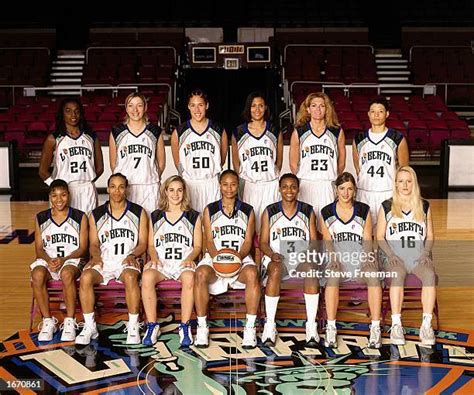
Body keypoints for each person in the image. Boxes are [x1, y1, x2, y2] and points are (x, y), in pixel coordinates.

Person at [75, 173, 148, 345]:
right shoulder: (96, 214)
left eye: (121, 186)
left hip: (126, 261)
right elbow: (93, 243)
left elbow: (143, 243)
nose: (117, 191)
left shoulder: (139, 212)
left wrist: (133, 255)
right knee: (85, 278)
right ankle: (89, 326)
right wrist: (96, 257)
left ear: (127, 189)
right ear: (107, 189)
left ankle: (132, 325)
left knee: (130, 277)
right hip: (105, 261)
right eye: (113, 186)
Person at [194, 170, 260, 349]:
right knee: (200, 273)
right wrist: (219, 260)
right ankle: (202, 326)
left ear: (238, 185)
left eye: (233, 184)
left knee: (253, 273)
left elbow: (247, 241)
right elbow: (208, 240)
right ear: (220, 185)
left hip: (240, 257)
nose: (229, 188)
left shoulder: (248, 210)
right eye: (225, 184)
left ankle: (250, 327)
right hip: (215, 256)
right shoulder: (210, 209)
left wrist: (236, 258)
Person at [320, 172, 382, 349]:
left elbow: (368, 240)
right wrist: (333, 259)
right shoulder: (326, 212)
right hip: (338, 259)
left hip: (358, 258)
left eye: (349, 189)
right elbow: (328, 242)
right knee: (332, 277)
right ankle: (331, 327)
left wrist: (367, 259)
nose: (345, 193)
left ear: (355, 190)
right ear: (336, 189)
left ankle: (375, 327)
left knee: (374, 276)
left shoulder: (364, 210)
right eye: (342, 188)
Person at [376, 166, 436, 346]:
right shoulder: (387, 206)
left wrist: (426, 252)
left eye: (408, 181)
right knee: (397, 275)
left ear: (414, 183)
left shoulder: (424, 206)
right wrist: (390, 254)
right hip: (395, 256)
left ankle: (426, 325)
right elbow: (379, 236)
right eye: (401, 181)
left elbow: (430, 235)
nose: (405, 185)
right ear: (395, 183)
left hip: (417, 256)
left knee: (430, 276)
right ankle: (396, 324)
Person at [259, 173, 320, 346]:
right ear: (279, 189)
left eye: (293, 186)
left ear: (298, 189)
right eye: (285, 186)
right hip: (278, 258)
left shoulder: (307, 211)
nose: (289, 190)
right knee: (276, 270)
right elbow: (263, 242)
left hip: (300, 258)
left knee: (311, 269)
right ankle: (270, 325)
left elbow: (314, 242)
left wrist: (306, 255)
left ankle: (311, 327)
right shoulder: (270, 211)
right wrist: (271, 255)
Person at [141, 175, 202, 347]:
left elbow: (197, 246)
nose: (175, 194)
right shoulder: (156, 215)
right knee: (146, 277)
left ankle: (184, 326)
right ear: (165, 192)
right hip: (162, 262)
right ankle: (153, 325)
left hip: (184, 262)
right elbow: (151, 245)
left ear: (184, 192)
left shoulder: (193, 216)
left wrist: (190, 258)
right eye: (172, 190)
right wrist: (153, 258)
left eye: (179, 190)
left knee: (190, 278)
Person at [31, 179, 88, 341]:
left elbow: (83, 248)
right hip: (49, 259)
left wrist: (64, 260)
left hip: (72, 259)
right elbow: (39, 249)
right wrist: (49, 260)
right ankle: (48, 320)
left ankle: (70, 320)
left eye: (63, 195)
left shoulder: (79, 217)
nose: (59, 199)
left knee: (67, 274)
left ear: (68, 196)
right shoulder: (41, 218)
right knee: (37, 275)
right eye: (54, 195)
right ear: (49, 197)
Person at [39, 97, 103, 214]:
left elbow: (100, 168)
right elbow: (42, 171)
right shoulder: (54, 139)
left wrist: (87, 181)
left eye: (77, 111)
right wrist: (56, 187)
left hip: (87, 189)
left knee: (88, 227)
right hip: (64, 191)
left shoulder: (91, 137)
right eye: (68, 111)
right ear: (62, 114)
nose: (73, 114)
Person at [289, 92, 346, 223]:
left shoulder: (336, 131)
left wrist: (332, 177)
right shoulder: (299, 131)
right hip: (306, 184)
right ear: (308, 109)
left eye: (322, 106)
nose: (318, 109)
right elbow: (293, 164)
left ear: (327, 109)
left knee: (328, 225)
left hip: (327, 184)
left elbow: (341, 163)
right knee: (306, 224)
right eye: (314, 106)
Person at [352, 96, 409, 226]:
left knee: (389, 232)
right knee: (365, 232)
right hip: (364, 192)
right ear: (368, 114)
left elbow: (404, 169)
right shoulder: (359, 139)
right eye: (373, 111)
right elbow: (358, 167)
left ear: (387, 114)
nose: (376, 115)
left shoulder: (397, 138)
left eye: (380, 111)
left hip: (388, 192)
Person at [231, 92, 283, 232]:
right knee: (249, 227)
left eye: (260, 106)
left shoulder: (274, 130)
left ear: (266, 107)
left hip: (270, 184)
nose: (257, 109)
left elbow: (279, 161)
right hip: (249, 185)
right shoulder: (239, 132)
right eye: (253, 106)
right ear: (248, 108)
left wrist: (271, 174)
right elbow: (236, 162)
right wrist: (243, 177)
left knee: (271, 226)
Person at [171, 89, 228, 214]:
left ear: (207, 105)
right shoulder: (179, 132)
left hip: (211, 184)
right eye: (193, 105)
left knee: (212, 225)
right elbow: (178, 163)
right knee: (191, 226)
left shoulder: (218, 129)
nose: (197, 110)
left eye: (200, 105)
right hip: (189, 183)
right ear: (188, 106)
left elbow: (222, 159)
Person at [109, 92, 165, 214]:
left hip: (149, 187)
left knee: (150, 225)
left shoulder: (154, 131)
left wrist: (151, 177)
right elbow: (114, 163)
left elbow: (161, 162)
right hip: (126, 187)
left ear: (145, 107)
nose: (135, 109)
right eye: (131, 105)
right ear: (126, 108)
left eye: (139, 105)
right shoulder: (117, 131)